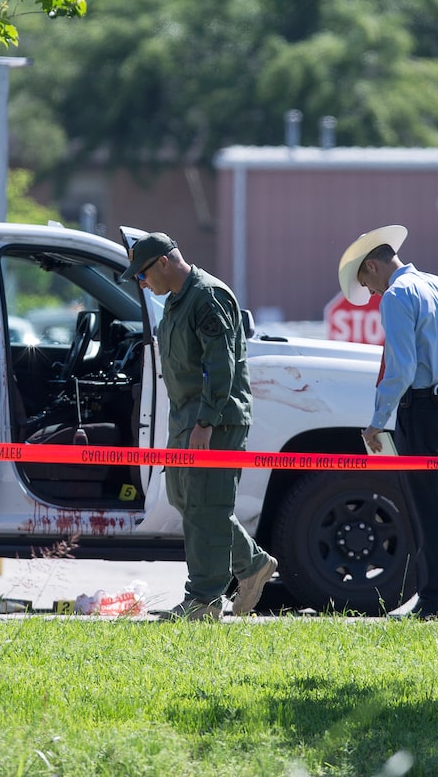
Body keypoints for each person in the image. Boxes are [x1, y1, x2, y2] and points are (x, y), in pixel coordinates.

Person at [122, 232, 278, 621]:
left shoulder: (207, 296)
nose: (142, 283)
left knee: (207, 505)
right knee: (187, 501)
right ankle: (253, 564)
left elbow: (220, 366)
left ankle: (203, 601)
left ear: (162, 262)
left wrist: (206, 422)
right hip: (186, 418)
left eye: (142, 275)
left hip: (215, 419)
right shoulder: (176, 301)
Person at [339, 224, 438, 621]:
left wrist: (377, 420)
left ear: (371, 265)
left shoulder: (398, 296)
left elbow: (401, 368)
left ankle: (436, 601)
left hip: (419, 408)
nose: (370, 293)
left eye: (366, 283)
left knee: (425, 509)